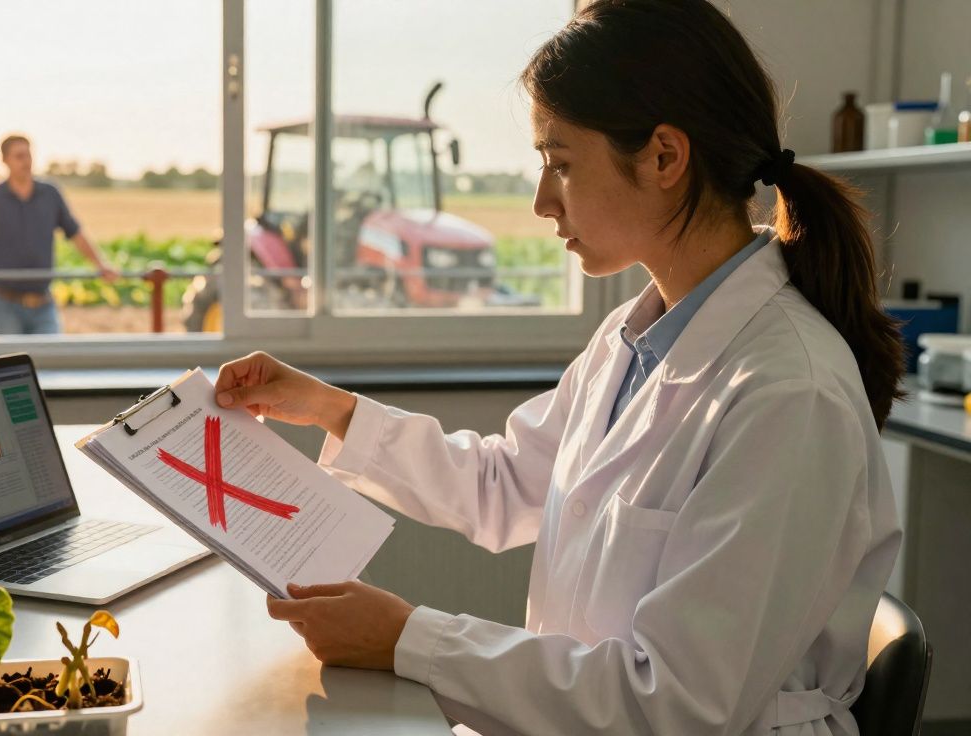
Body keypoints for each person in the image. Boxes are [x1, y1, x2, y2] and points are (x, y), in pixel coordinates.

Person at [212, 1, 905, 733]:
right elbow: (506, 483)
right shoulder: (634, 340)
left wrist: (409, 639)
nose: (543, 201)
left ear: (665, 157)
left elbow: (677, 703)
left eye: (561, 164)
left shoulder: (787, 394)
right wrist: (329, 408)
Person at [0, 134, 120, 335]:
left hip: (43, 302)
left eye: (29, 155)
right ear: (4, 160)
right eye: (19, 156)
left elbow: (75, 232)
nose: (26, 161)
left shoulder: (50, 194)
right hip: (5, 303)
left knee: (50, 356)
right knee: (16, 360)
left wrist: (100, 265)